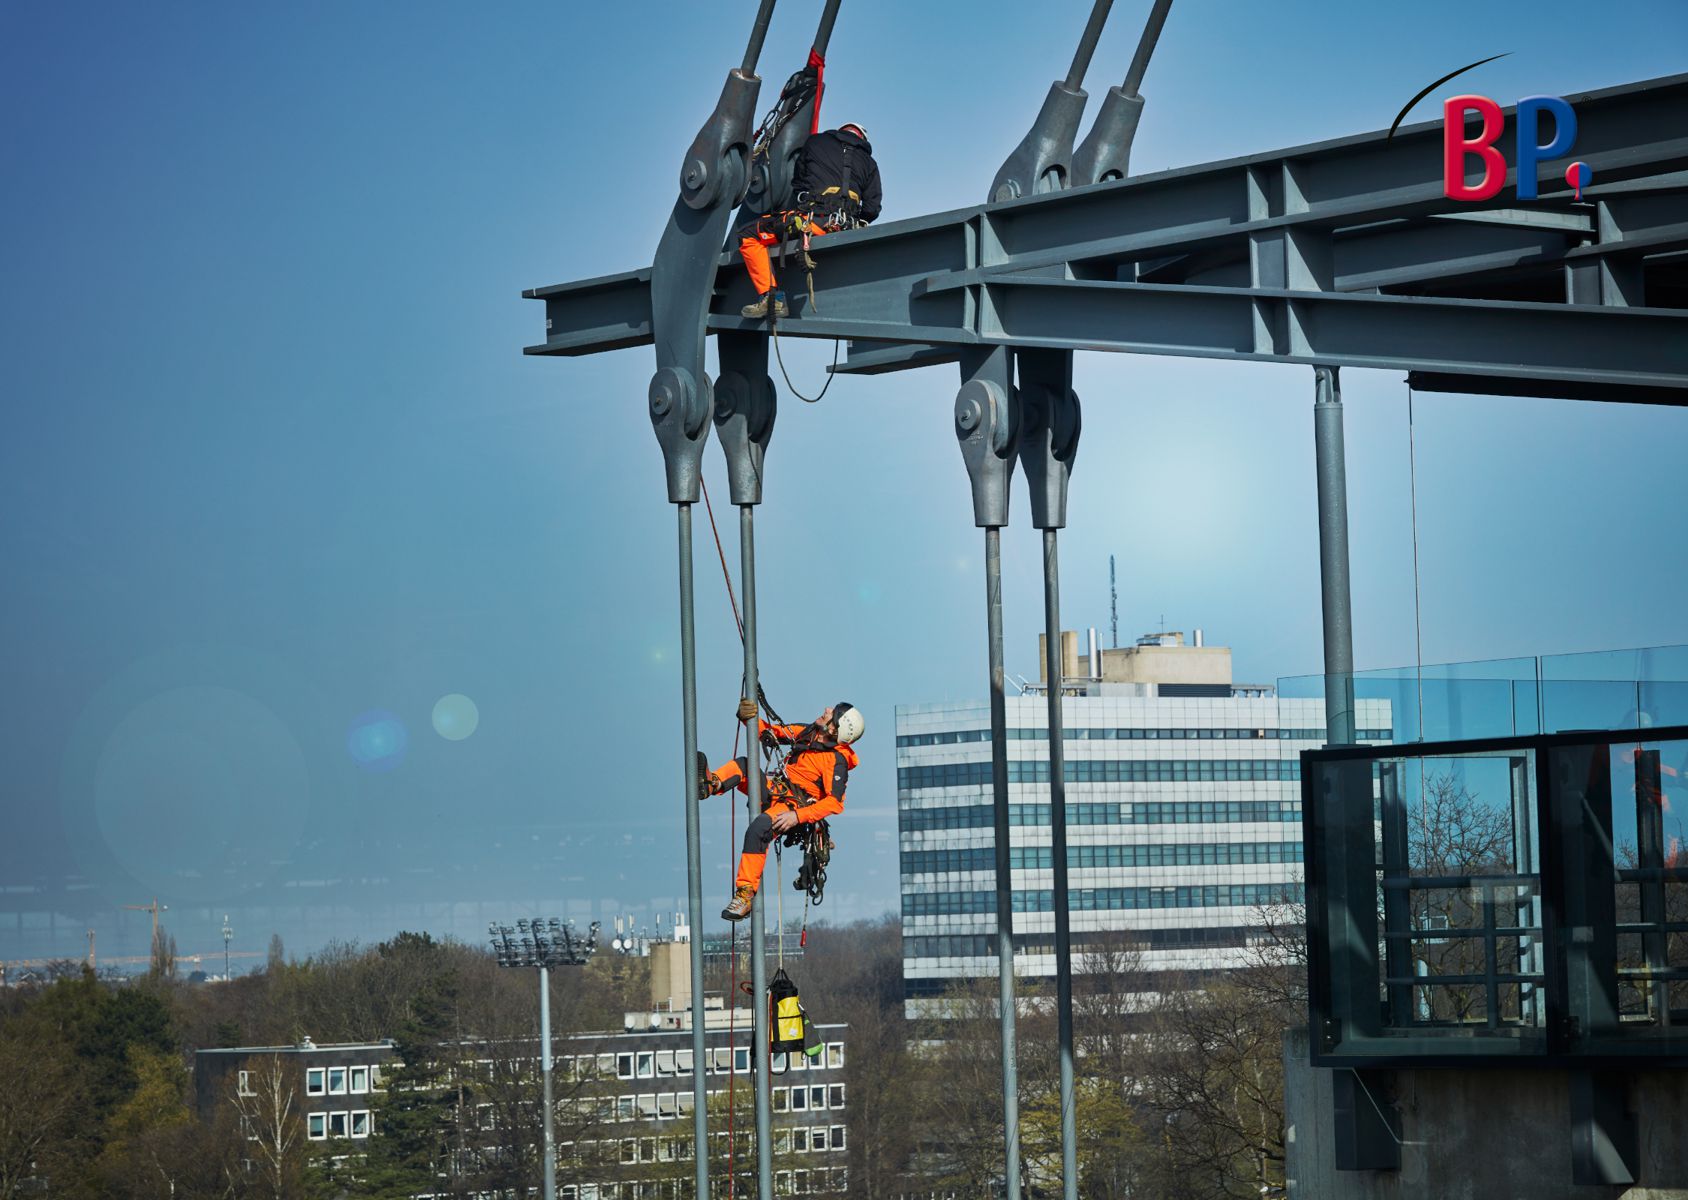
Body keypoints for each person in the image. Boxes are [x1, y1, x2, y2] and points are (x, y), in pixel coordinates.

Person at [701, 699, 865, 920]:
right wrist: (748, 718)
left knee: (758, 830)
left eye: (832, 713)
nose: (826, 710)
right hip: (776, 791)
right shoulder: (808, 733)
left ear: (835, 729)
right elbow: (771, 733)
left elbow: (834, 802)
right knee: (744, 764)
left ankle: (745, 895)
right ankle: (712, 784)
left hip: (794, 807)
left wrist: (797, 816)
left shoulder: (836, 761)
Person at [738, 123, 883, 319]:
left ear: (840, 131)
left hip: (813, 222)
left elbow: (798, 183)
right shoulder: (869, 163)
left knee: (748, 234)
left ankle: (772, 299)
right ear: (862, 139)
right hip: (846, 230)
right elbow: (872, 209)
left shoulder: (816, 142)